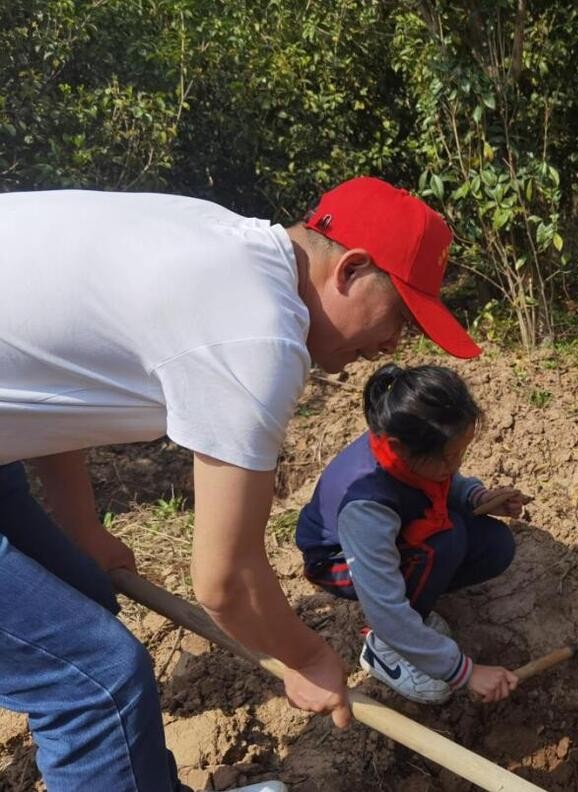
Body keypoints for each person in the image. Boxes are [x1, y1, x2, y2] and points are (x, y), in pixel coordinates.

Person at [0, 177, 481, 791]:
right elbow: (224, 581)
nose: (393, 345)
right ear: (352, 270)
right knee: (95, 680)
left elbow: (58, 386)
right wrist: (305, 657)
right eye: (400, 316)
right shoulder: (258, 331)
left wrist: (82, 528)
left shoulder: (224, 244)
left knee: (86, 595)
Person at [295, 364, 527, 705]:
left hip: (389, 531)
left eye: (460, 454)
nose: (455, 465)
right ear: (400, 447)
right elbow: (383, 604)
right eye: (449, 458)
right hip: (336, 561)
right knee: (442, 544)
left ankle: (415, 618)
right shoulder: (365, 505)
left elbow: (445, 480)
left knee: (494, 545)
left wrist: (477, 497)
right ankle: (384, 648)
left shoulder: (411, 441)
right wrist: (464, 671)